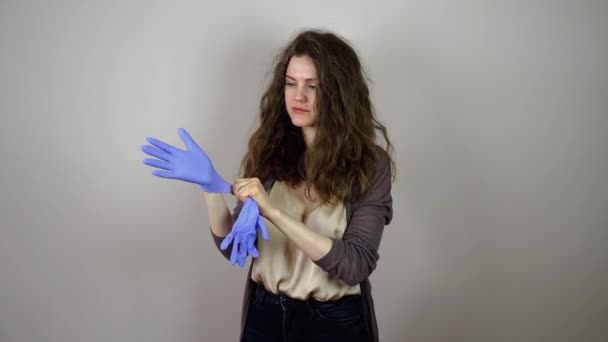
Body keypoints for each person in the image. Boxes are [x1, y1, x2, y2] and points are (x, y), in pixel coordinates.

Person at [143, 28, 394, 342]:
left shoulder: (370, 165)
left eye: (312, 86)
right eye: (290, 83)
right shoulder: (270, 153)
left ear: (339, 93)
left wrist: (273, 212)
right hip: (266, 318)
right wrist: (210, 188)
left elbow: (355, 264)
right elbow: (234, 246)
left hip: (335, 325)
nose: (298, 96)